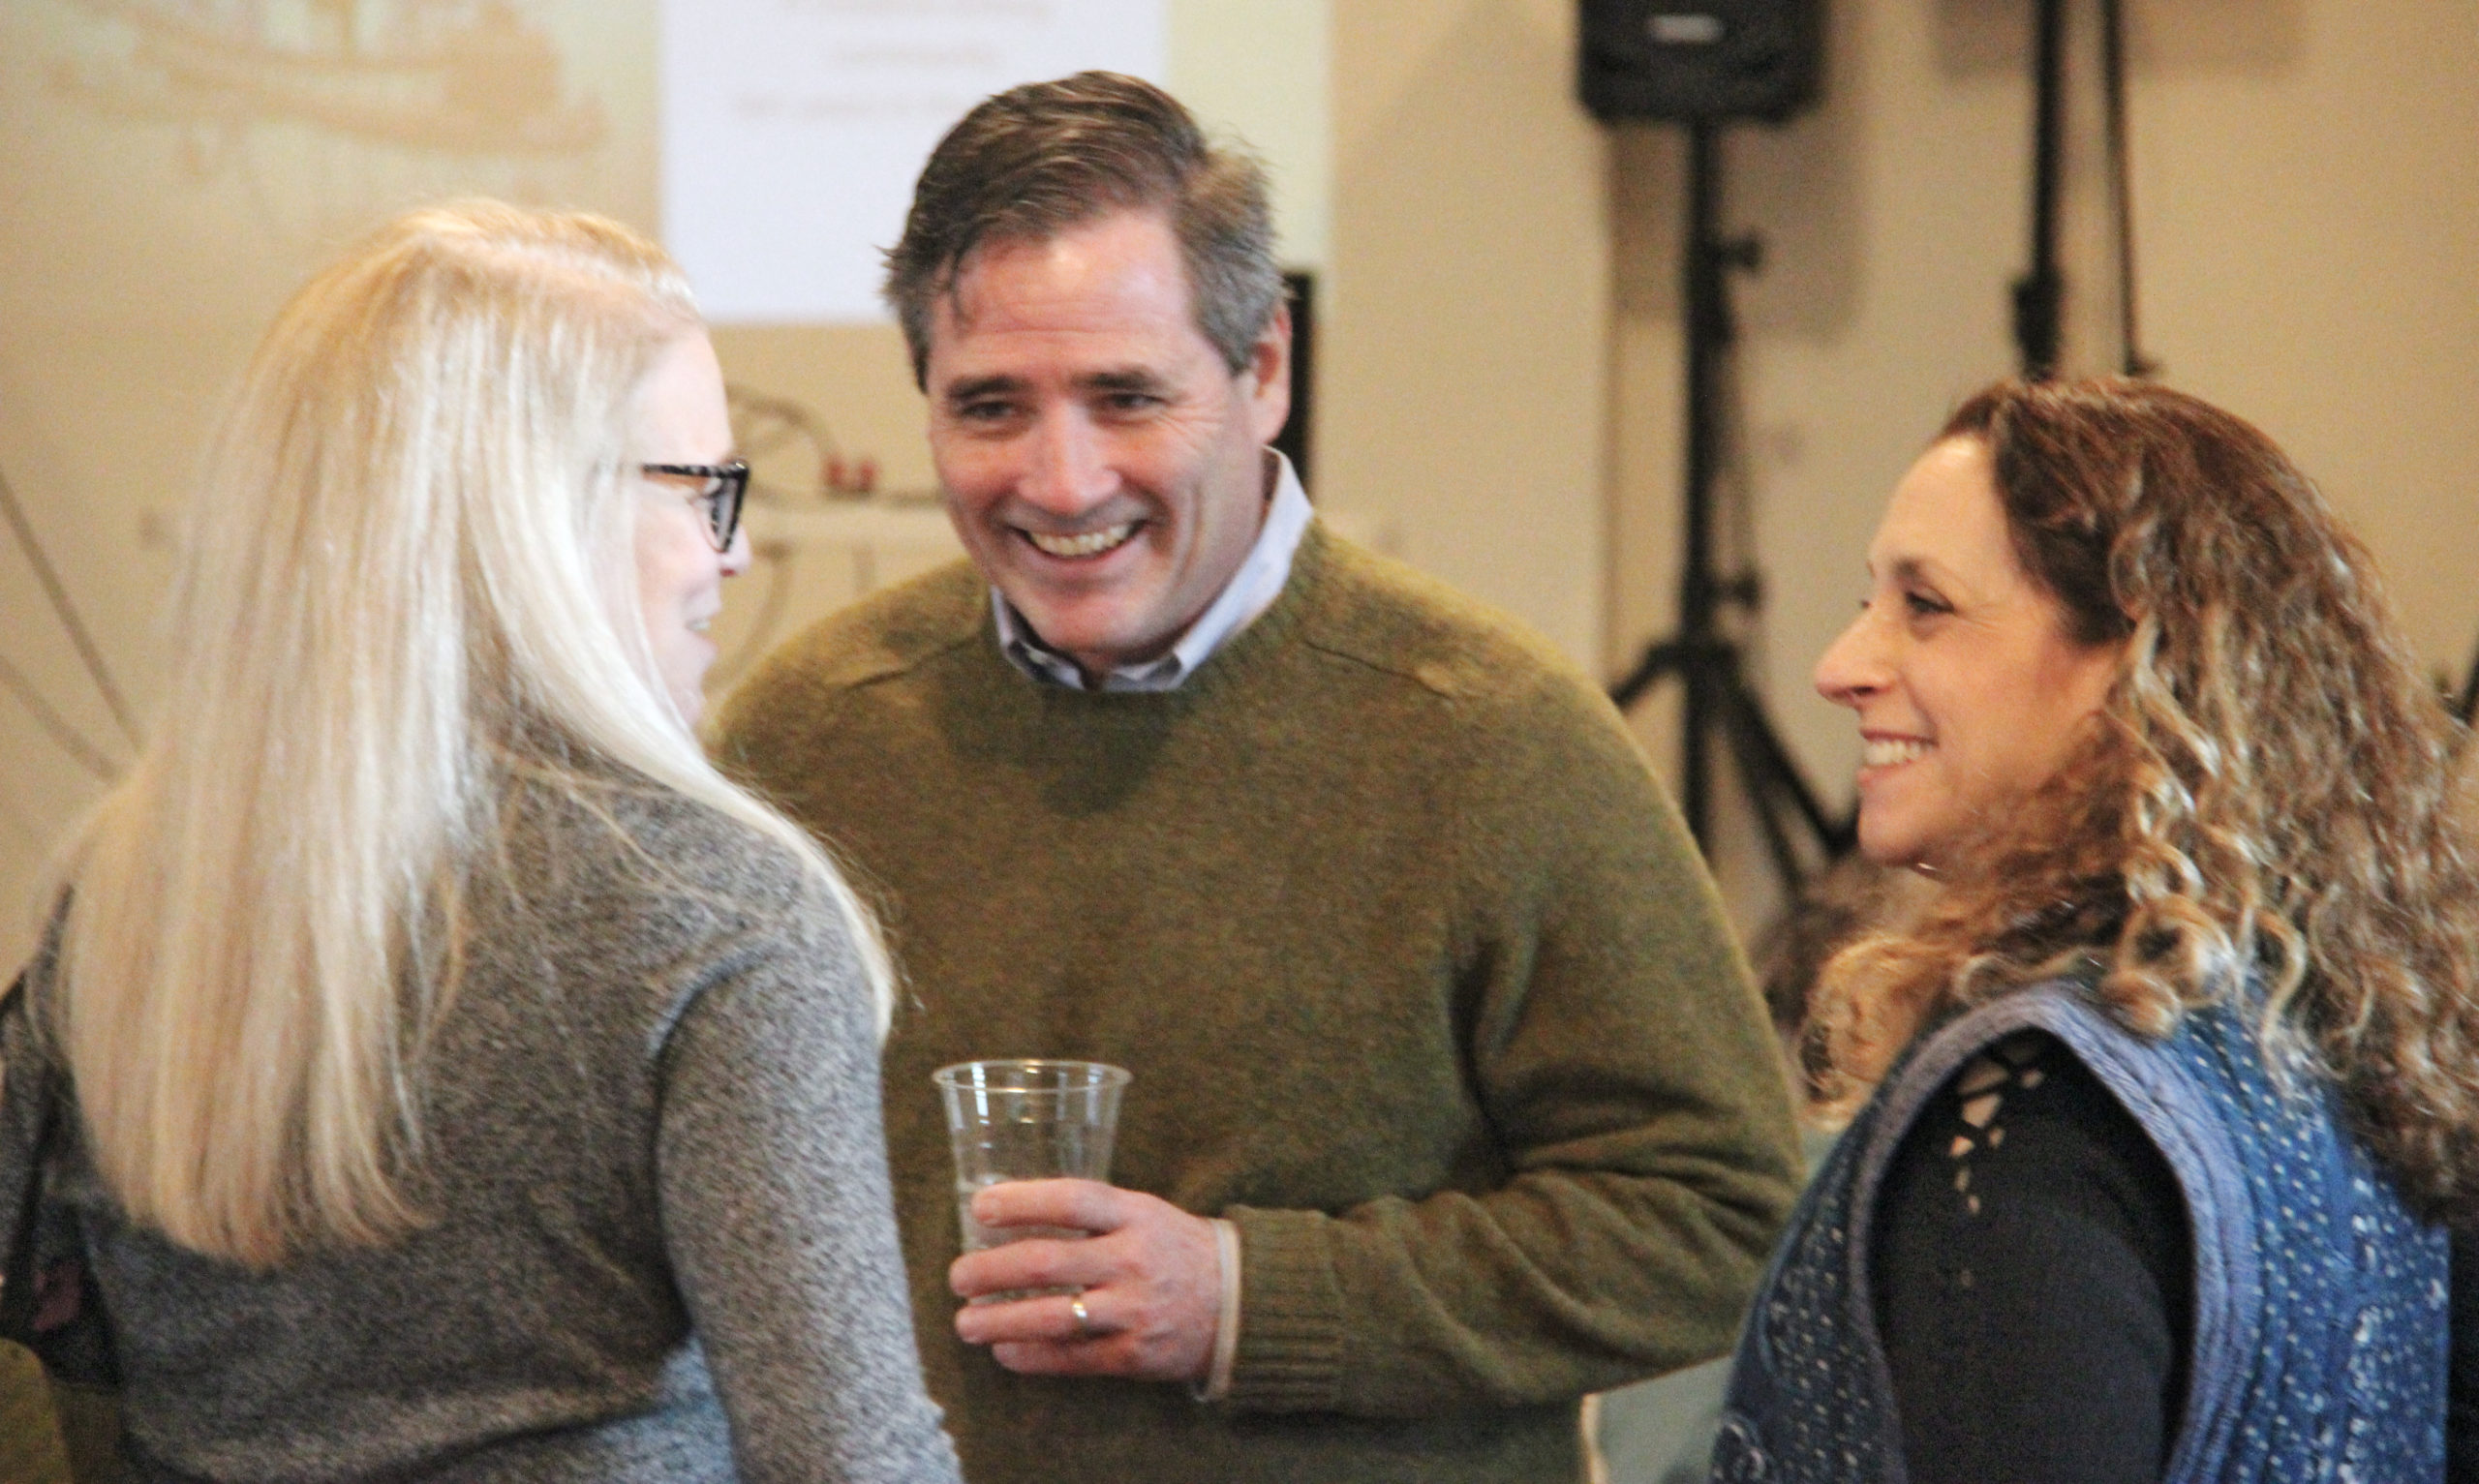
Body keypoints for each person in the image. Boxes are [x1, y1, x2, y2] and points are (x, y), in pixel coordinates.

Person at [713, 71, 1803, 1484]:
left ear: (1265, 367)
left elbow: (1721, 1220)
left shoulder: (1489, 735)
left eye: (1126, 397)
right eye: (990, 407)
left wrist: (1247, 1299)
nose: (1062, 480)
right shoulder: (815, 732)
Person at [0, 201, 964, 1482]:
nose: (734, 552)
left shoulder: (130, 889)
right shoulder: (714, 913)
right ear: (531, 517)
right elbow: (850, 1461)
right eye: (700, 489)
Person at [1713, 377, 2479, 1482]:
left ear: (2137, 659)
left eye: (1924, 606)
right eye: (1868, 601)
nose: (1841, 667)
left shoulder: (2033, 1111)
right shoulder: (2355, 1040)